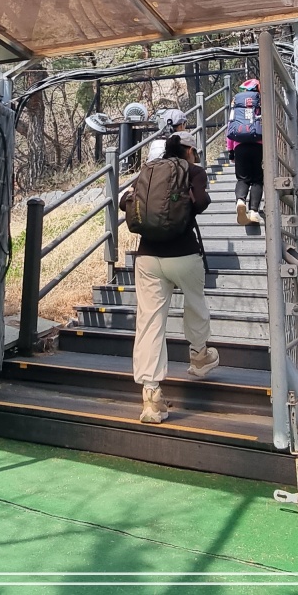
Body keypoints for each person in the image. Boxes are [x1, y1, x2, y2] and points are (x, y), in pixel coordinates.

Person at [119, 130, 218, 424]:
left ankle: (151, 396)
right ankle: (199, 356)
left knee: (149, 322)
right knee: (195, 303)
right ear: (188, 151)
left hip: (147, 257)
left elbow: (126, 202)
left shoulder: (149, 171)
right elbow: (202, 203)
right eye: (195, 152)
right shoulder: (194, 171)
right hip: (184, 254)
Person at [228, 79, 265, 226]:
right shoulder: (261, 102)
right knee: (257, 179)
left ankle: (240, 200)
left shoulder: (236, 104)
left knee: (242, 179)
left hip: (239, 145)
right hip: (258, 145)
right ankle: (254, 211)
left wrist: (231, 150)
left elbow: (230, 126)